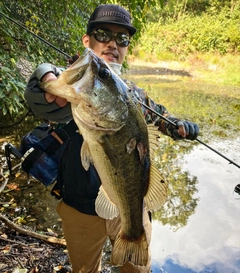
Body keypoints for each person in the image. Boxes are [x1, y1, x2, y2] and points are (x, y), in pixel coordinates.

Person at [24, 4, 199, 273]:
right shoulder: (76, 83)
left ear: (127, 47)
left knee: (138, 269)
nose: (113, 43)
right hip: (78, 207)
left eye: (122, 38)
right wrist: (43, 77)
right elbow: (40, 96)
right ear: (87, 40)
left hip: (131, 207)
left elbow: (160, 118)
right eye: (103, 34)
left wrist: (178, 125)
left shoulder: (133, 95)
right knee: (84, 270)